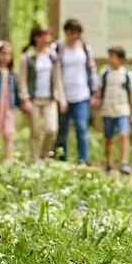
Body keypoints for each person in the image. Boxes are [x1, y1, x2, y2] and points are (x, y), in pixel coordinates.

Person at [53, 18, 99, 164]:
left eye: (79, 33)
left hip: (82, 94)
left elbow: (92, 70)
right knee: (62, 130)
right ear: (67, 32)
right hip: (64, 95)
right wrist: (59, 96)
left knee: (81, 126)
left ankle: (83, 160)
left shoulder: (85, 48)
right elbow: (54, 72)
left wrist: (94, 91)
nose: (77, 36)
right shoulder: (58, 48)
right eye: (74, 33)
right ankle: (61, 159)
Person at [18, 24, 66, 161]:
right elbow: (22, 79)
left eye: (48, 35)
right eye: (44, 35)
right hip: (33, 99)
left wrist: (61, 99)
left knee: (52, 129)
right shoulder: (27, 57)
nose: (47, 38)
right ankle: (35, 159)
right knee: (35, 131)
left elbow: (57, 79)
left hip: (49, 99)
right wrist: (25, 98)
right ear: (36, 38)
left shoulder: (52, 56)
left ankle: (44, 156)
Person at [99, 46, 132, 175]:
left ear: (120, 59)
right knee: (108, 138)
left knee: (124, 135)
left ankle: (124, 163)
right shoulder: (104, 74)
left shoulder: (127, 75)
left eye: (111, 56)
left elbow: (131, 95)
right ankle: (108, 162)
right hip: (107, 110)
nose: (108, 59)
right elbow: (99, 92)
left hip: (123, 110)